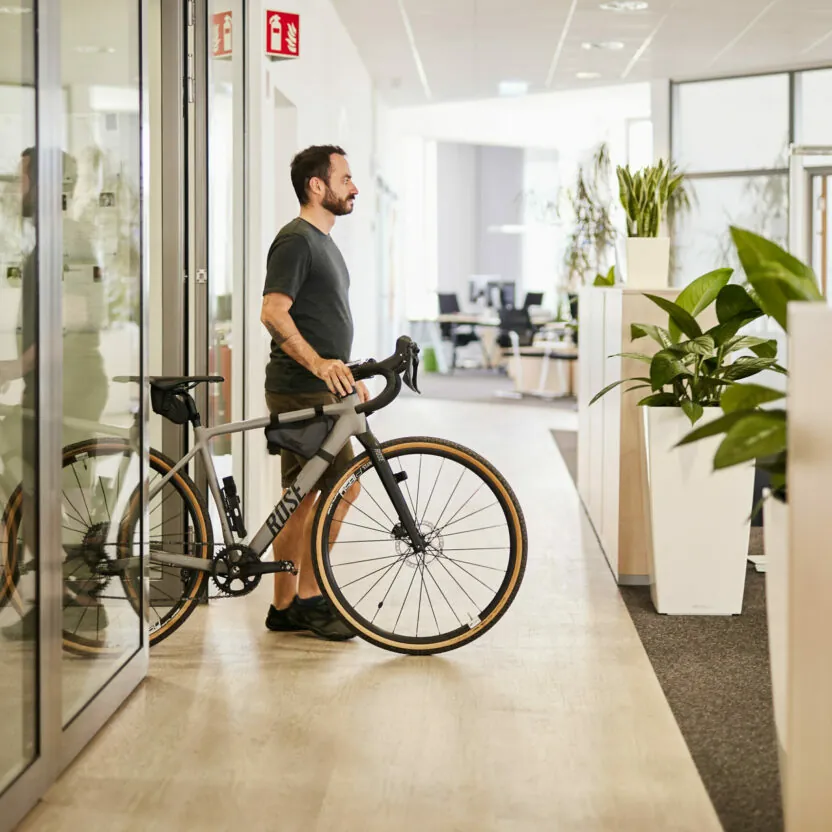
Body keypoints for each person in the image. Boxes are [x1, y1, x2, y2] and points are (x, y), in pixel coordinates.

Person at [260, 145, 365, 641]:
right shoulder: (296, 241)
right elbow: (273, 312)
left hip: (318, 388)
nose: (354, 187)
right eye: (345, 179)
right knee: (343, 487)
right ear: (316, 186)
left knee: (300, 499)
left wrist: (346, 371)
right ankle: (309, 597)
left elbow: (321, 319)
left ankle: (284, 605)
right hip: (302, 390)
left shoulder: (323, 242)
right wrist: (321, 366)